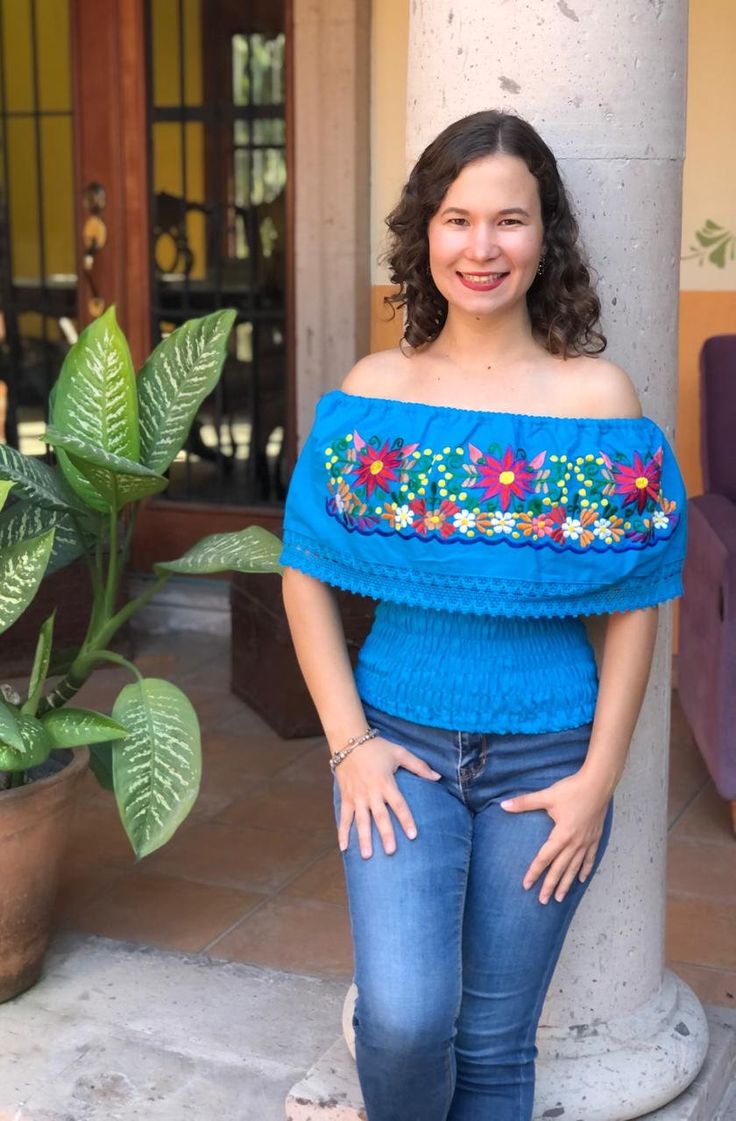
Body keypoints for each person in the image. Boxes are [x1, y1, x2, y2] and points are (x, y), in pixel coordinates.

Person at [279, 110, 687, 1121]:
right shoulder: (375, 392)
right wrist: (349, 747)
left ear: (546, 237)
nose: (481, 245)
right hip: (398, 750)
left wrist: (597, 780)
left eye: (510, 219)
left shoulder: (597, 399)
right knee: (407, 1016)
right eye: (457, 218)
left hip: (545, 763)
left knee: (498, 1041)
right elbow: (304, 571)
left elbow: (637, 602)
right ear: (425, 232)